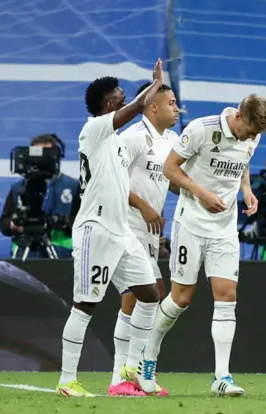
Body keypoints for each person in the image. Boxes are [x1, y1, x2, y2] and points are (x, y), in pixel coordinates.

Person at [137, 94, 266, 397]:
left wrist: (247, 189)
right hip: (191, 223)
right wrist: (201, 193)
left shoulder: (251, 135)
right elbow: (170, 168)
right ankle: (147, 357)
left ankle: (222, 377)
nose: (251, 138)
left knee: (227, 296)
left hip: (224, 229)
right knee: (181, 298)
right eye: (249, 130)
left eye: (255, 135)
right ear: (238, 116)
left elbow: (243, 161)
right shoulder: (201, 129)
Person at [56, 60, 165, 397]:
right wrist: (155, 85)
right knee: (85, 305)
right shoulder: (93, 129)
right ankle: (67, 380)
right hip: (96, 230)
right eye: (119, 93)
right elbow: (134, 109)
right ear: (109, 103)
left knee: (150, 295)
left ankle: (131, 364)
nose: (124, 96)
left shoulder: (115, 141)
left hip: (121, 232)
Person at [108, 82, 180, 396]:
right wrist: (144, 206)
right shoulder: (133, 136)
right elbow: (111, 181)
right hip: (125, 227)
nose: (177, 109)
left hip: (150, 232)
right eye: (172, 103)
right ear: (153, 106)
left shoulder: (174, 140)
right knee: (141, 294)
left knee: (148, 294)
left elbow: (174, 181)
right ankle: (123, 376)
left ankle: (130, 375)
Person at [0, 134, 80, 259]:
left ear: (57, 157)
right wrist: (13, 225)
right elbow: (4, 222)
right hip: (25, 251)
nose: (40, 161)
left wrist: (64, 222)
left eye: (45, 155)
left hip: (63, 254)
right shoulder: (18, 188)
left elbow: (85, 222)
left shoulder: (73, 186)